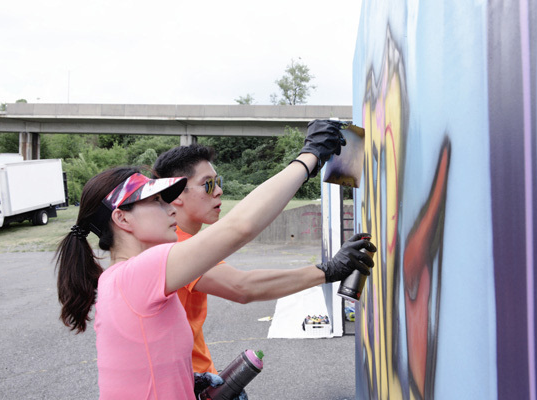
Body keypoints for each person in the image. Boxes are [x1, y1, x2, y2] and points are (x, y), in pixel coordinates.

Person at [55, 120, 376, 399]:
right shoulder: (141, 270)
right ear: (122, 220)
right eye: (156, 201)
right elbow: (240, 229)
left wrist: (185, 383)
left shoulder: (119, 277)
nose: (170, 208)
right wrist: (309, 157)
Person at [152, 119, 378, 382]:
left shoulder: (180, 241)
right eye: (209, 184)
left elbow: (246, 227)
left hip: (197, 379)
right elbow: (242, 286)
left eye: (219, 181)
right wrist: (329, 271)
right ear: (177, 193)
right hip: (182, 385)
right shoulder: (172, 246)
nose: (220, 191)